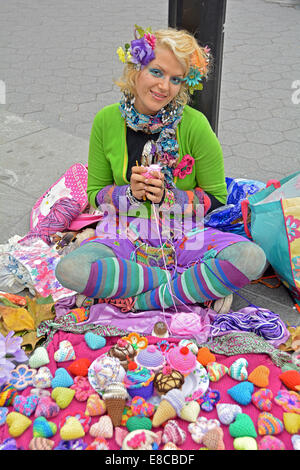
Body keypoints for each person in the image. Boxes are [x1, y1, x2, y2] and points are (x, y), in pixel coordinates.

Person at [55, 26, 267, 314]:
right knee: (70, 270)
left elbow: (217, 198)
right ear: (136, 70)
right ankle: (188, 287)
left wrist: (172, 199)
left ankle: (143, 299)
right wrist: (129, 194)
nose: (164, 86)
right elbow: (95, 194)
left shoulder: (195, 125)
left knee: (251, 258)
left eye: (175, 79)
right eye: (157, 72)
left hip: (185, 237)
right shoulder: (105, 121)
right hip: (125, 235)